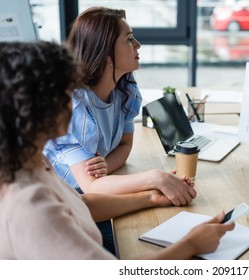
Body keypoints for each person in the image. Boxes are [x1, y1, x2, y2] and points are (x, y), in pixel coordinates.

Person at [0, 41, 235, 259]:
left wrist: (151, 198)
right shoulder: (29, 204)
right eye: (64, 93)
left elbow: (83, 205)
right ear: (32, 108)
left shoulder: (32, 160)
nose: (71, 102)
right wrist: (191, 244)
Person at [43, 7, 196, 254]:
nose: (138, 45)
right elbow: (90, 187)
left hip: (98, 197)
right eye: (129, 39)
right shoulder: (73, 106)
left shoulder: (123, 88)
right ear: (107, 55)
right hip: (70, 216)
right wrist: (155, 177)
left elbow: (125, 146)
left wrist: (104, 164)